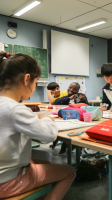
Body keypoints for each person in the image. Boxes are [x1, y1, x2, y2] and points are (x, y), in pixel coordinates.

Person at [0, 52, 75, 199]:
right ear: (27, 79)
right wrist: (46, 118)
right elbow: (49, 136)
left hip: (4, 170)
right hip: (8, 181)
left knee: (45, 158)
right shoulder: (15, 109)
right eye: (36, 82)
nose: (34, 87)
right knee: (69, 171)